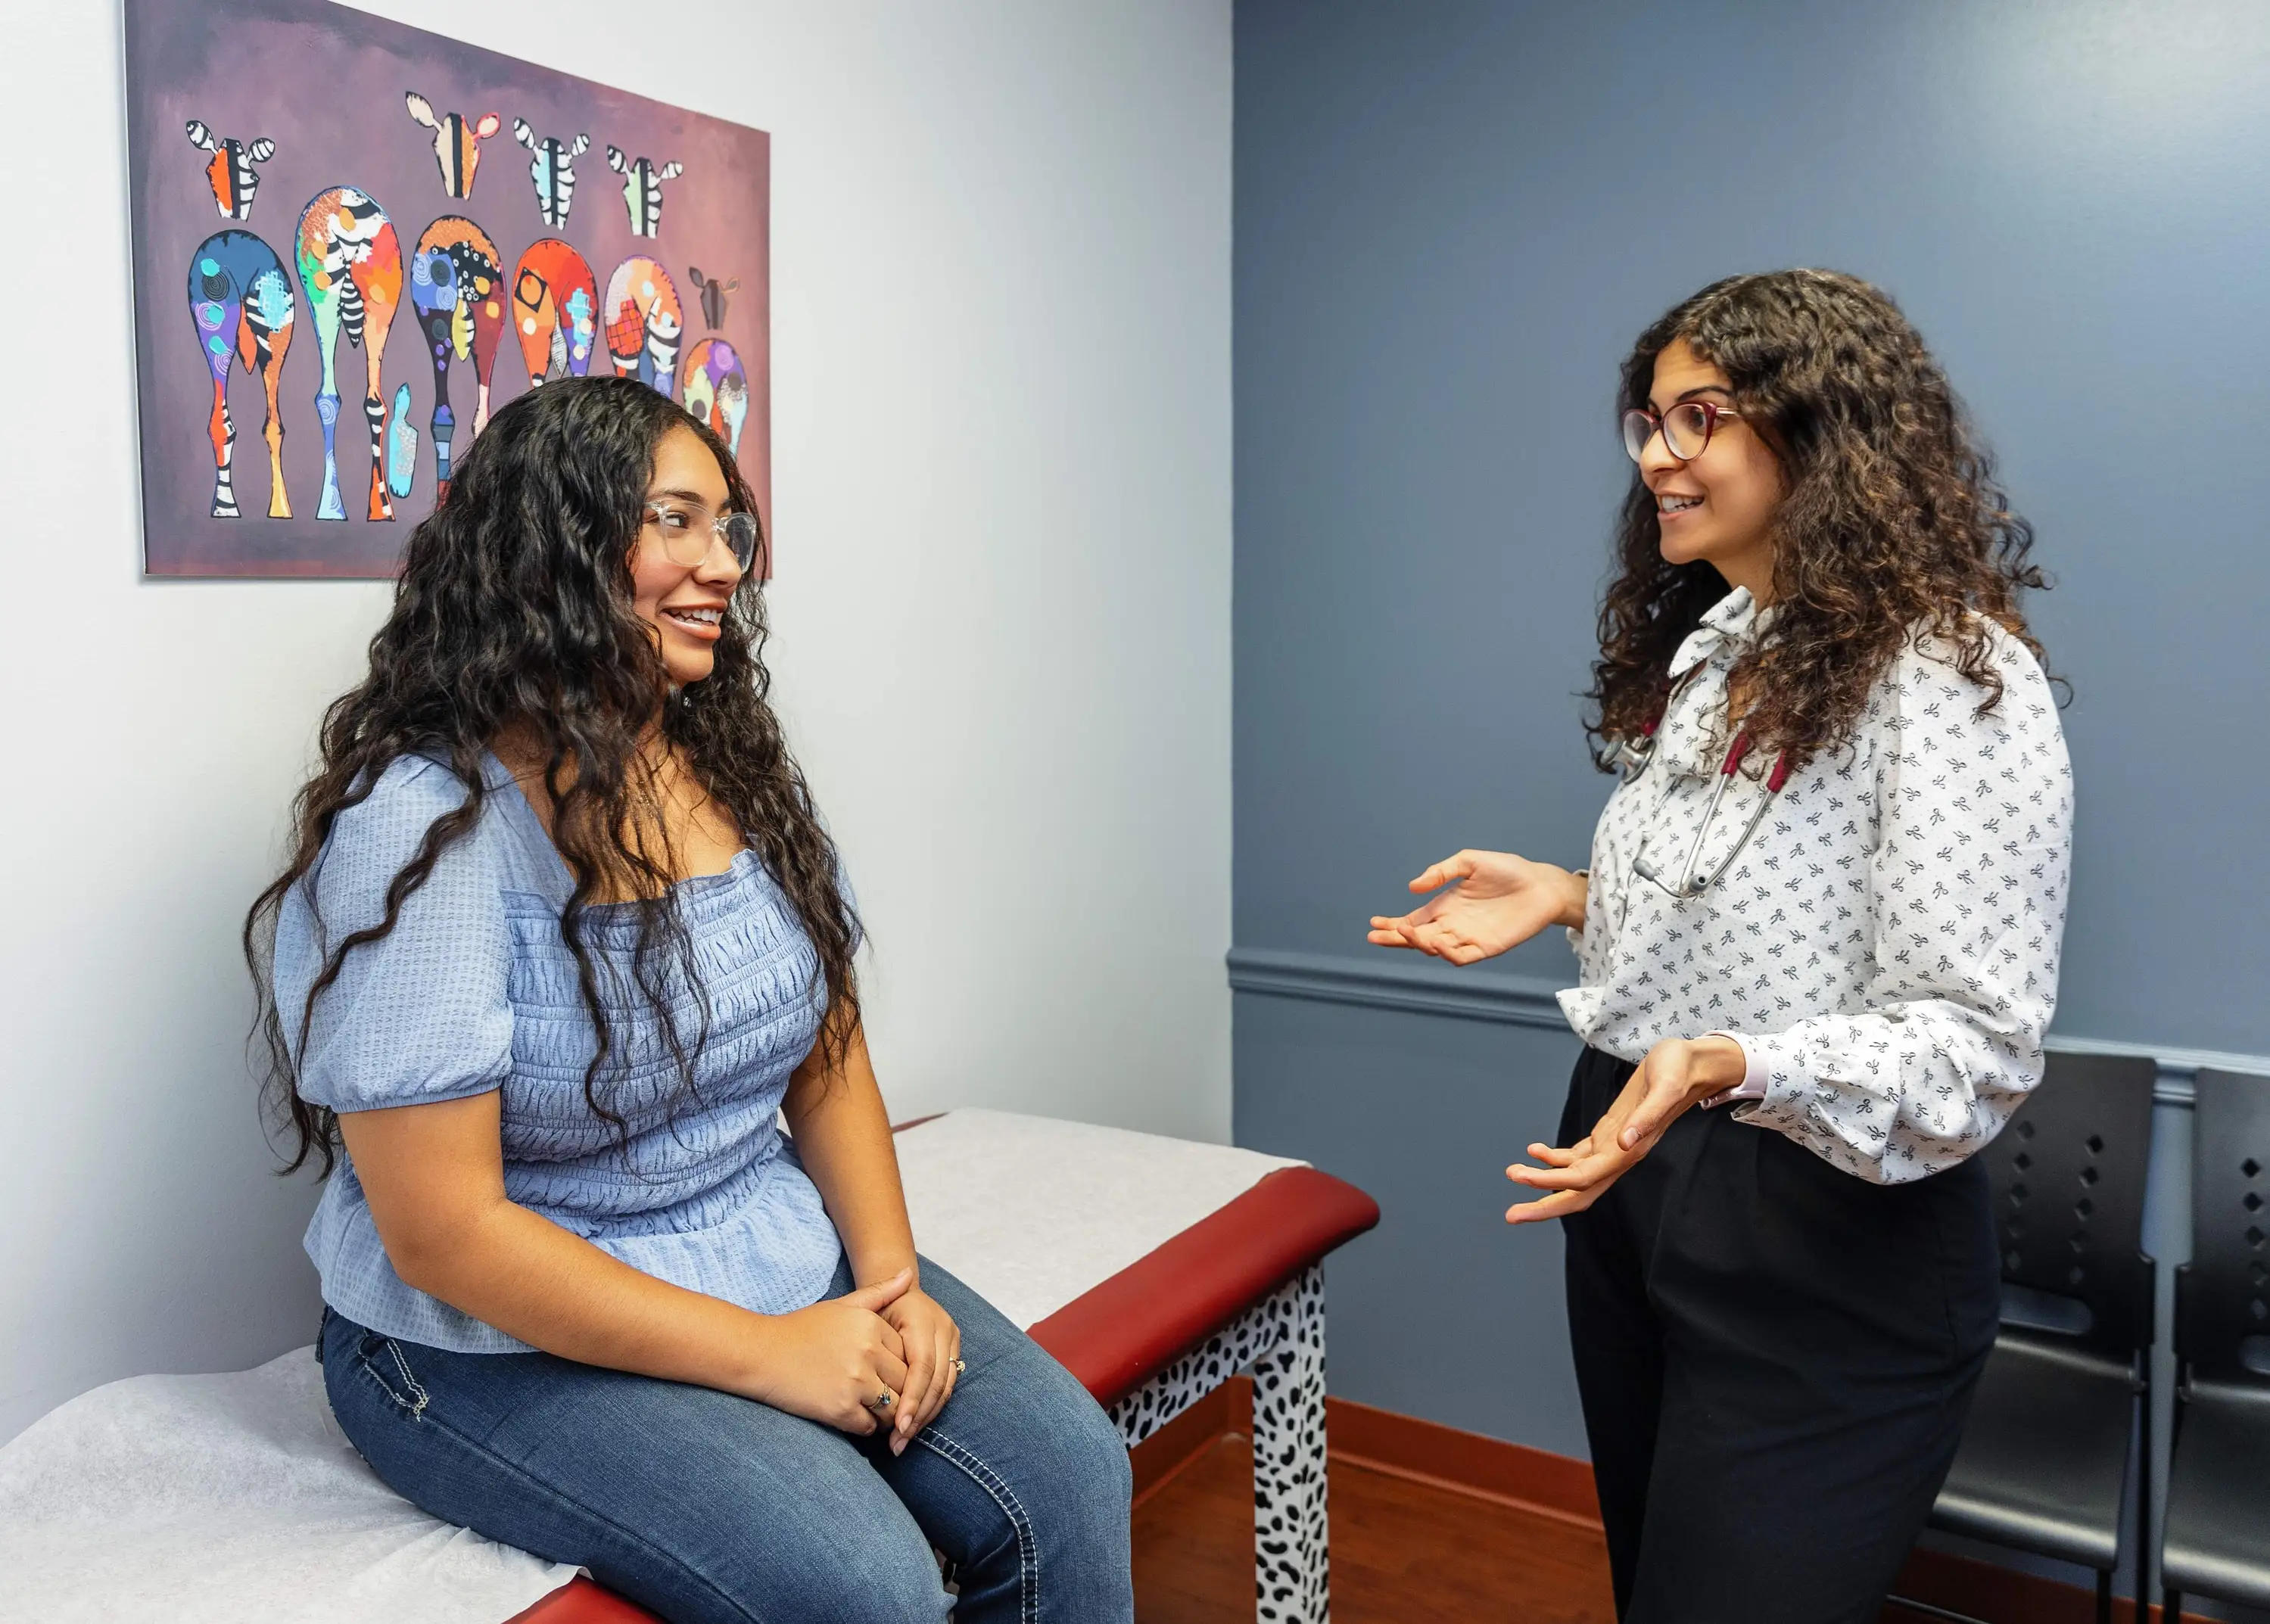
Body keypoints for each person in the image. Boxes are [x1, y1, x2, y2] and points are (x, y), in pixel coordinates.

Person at [245, 376, 1134, 1624]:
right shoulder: (425, 827)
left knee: (1070, 1478)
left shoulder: (724, 761)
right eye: (676, 520)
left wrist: (891, 1283)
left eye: (729, 526)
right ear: (554, 543)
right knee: (865, 1588)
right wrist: (770, 1354)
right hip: (479, 1336)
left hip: (756, 1241)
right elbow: (443, 1232)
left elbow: (825, 1047)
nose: (724, 562)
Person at [1368, 270, 2070, 1622]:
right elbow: (1757, 918)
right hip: (1635, 1160)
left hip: (1821, 1218)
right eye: (1647, 420)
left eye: (1699, 416)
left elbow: (1973, 1042)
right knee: (1655, 1582)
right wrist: (1572, 894)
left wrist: (1729, 1063)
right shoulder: (1720, 646)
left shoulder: (1946, 674)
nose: (1654, 456)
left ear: (1821, 429)